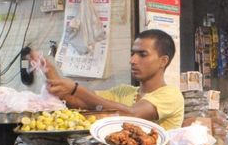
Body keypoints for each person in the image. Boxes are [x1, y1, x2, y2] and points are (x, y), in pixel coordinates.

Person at [33, 29, 184, 130]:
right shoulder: (123, 92)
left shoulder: (171, 95)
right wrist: (49, 70)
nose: (133, 60)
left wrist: (76, 88)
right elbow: (76, 102)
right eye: (133, 54)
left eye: (142, 54)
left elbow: (133, 115)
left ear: (163, 61)